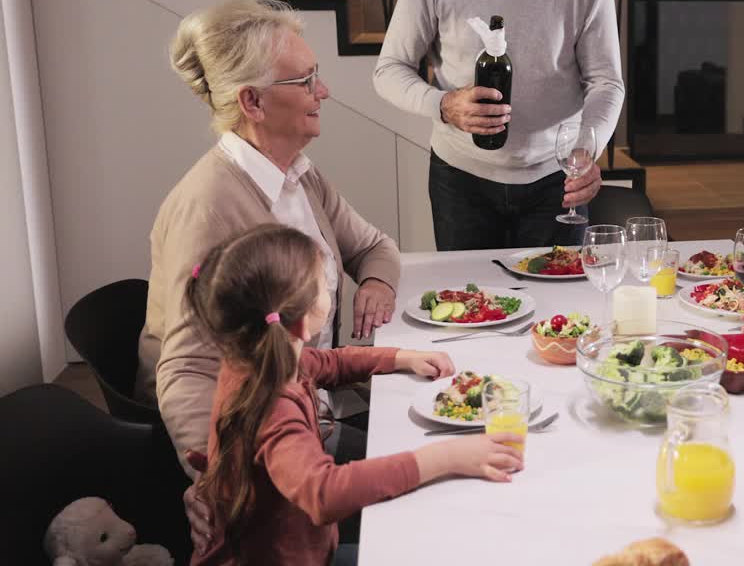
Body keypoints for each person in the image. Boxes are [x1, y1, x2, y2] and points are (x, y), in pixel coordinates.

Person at [136, 0, 401, 475]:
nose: (324, 91)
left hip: (310, 402)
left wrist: (377, 286)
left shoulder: (298, 173)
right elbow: (186, 372)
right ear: (252, 102)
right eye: (304, 81)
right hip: (259, 443)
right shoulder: (209, 207)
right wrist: (219, 491)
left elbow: (373, 246)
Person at [187, 225, 523, 566]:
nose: (330, 288)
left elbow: (330, 362)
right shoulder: (273, 406)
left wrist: (400, 357)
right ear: (301, 324)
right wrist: (444, 457)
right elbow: (324, 491)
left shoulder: (254, 359)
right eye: (322, 284)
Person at [373, 0, 624, 250]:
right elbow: (389, 70)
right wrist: (443, 105)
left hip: (556, 184)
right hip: (460, 182)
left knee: (561, 311)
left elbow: (606, 81)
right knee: (472, 308)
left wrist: (587, 150)